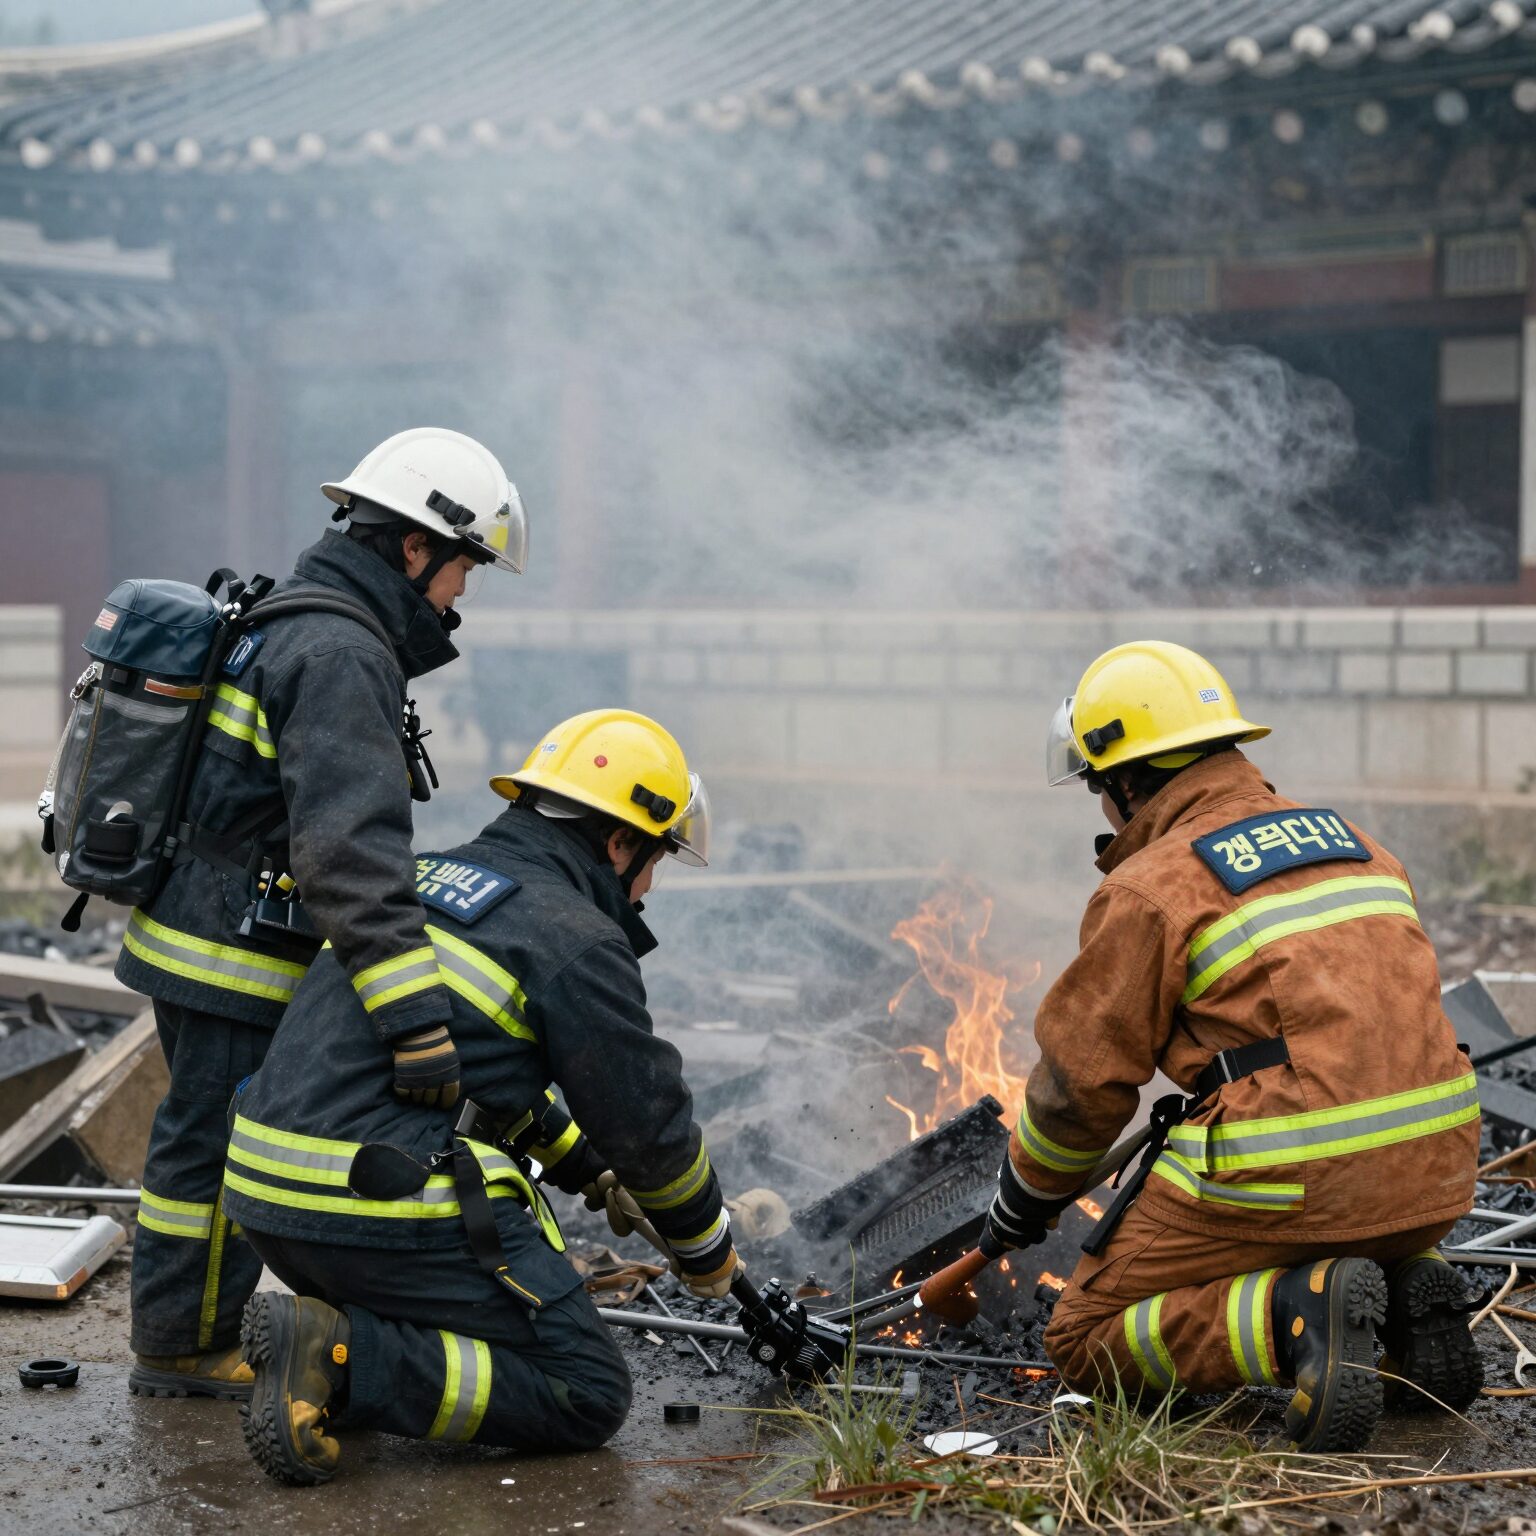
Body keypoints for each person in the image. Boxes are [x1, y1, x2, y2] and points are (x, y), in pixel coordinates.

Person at [981, 641, 1481, 1453]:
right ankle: (1401, 1283)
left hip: (1294, 1170)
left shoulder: (1153, 886)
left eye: (1098, 790)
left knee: (1084, 1335)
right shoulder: (1361, 845)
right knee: (1339, 1211)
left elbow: (1082, 1087)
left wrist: (1025, 1199)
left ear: (1127, 781)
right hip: (1438, 1172)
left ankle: (1298, 1316)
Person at [221, 709, 739, 1484]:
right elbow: (650, 1127)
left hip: (268, 1199)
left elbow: (480, 1081)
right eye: (656, 858)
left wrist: (590, 1170)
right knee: (586, 1390)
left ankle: (327, 1351)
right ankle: (338, 1352)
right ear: (620, 841)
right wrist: (707, 1253)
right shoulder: (573, 937)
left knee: (477, 1326)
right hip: (366, 1206)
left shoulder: (421, 884)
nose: (649, 888)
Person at [121, 428, 527, 1400]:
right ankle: (179, 1347)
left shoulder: (295, 617)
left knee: (198, 1136)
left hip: (199, 926)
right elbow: (350, 853)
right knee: (207, 1145)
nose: (460, 595)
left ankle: (183, 1330)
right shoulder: (342, 651)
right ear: (416, 546)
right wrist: (414, 1021)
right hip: (233, 951)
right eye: (464, 566)